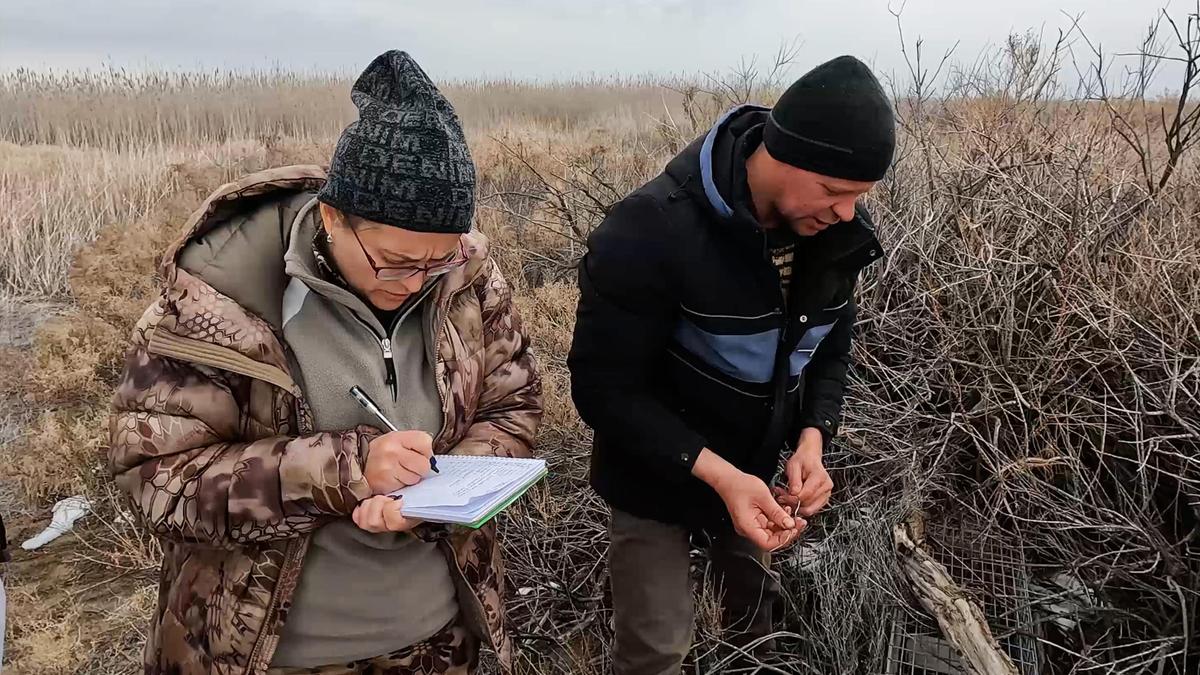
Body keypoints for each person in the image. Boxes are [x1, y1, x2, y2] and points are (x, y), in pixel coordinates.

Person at [108, 50, 542, 675]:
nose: (415, 280)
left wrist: (450, 486)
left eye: (437, 260)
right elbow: (154, 479)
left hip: (444, 640)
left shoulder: (466, 279)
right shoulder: (217, 302)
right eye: (395, 261)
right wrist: (344, 468)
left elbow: (514, 404)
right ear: (332, 217)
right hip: (268, 654)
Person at [568, 55, 895, 674]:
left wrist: (812, 438)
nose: (848, 213)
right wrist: (718, 475)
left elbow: (829, 343)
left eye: (860, 197)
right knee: (656, 648)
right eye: (834, 192)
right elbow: (603, 390)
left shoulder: (833, 234)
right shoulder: (651, 229)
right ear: (784, 154)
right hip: (651, 474)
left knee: (753, 622)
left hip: (755, 468)